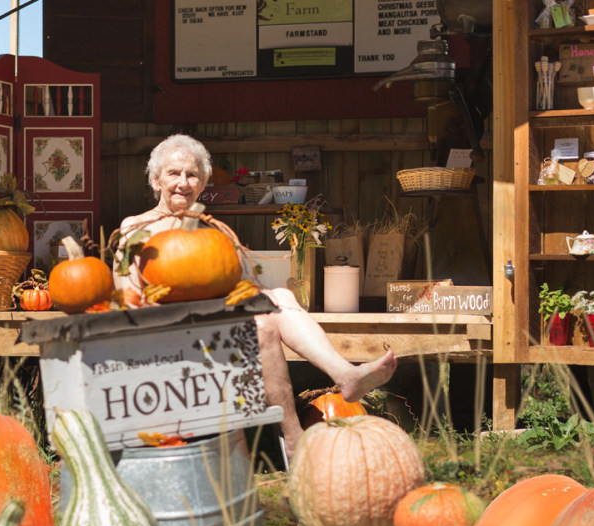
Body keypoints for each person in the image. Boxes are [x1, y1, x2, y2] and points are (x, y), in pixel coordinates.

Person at [113, 134, 397, 457]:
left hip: (214, 330)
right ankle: (293, 437)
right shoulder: (135, 228)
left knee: (276, 302)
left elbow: (240, 288)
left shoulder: (211, 233)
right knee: (263, 320)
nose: (183, 182)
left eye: (192, 174)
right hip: (164, 334)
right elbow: (127, 297)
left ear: (203, 183)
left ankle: (342, 377)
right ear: (155, 180)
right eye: (173, 173)